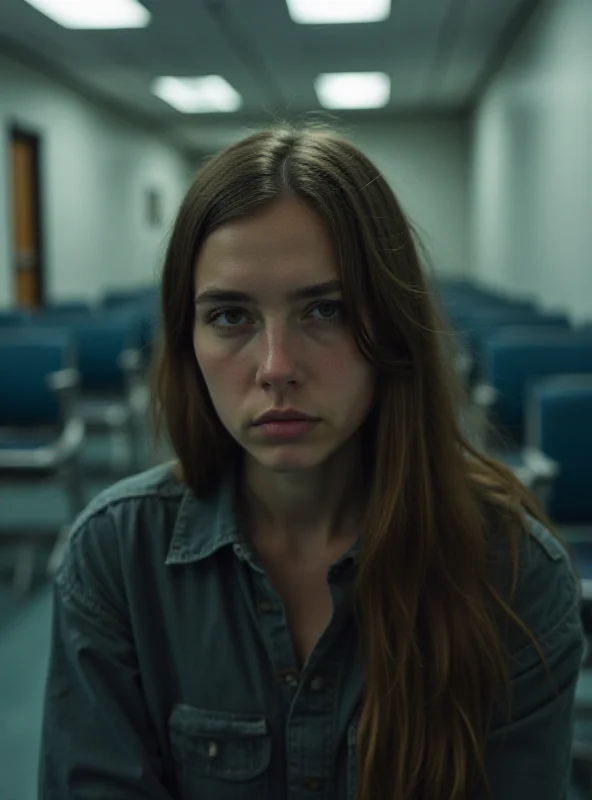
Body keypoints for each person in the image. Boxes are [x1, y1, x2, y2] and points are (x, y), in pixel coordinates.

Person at [39, 126, 584, 800]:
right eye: (231, 316)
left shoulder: (512, 570)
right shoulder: (116, 557)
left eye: (325, 309)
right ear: (188, 341)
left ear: (390, 325)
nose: (276, 369)